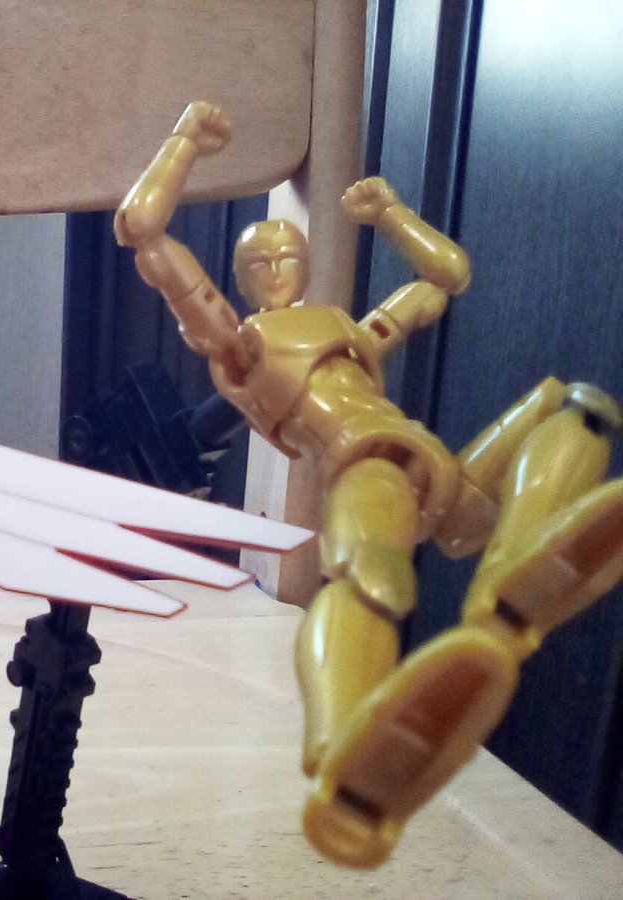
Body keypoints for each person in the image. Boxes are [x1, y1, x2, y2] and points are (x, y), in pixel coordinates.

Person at [116, 100, 623, 867]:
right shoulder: (243, 346)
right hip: (366, 462)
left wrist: (392, 215)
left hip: (435, 469)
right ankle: (341, 751)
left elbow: (446, 275)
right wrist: (183, 141)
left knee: (570, 410)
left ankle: (517, 576)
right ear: (240, 282)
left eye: (287, 254)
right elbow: (143, 231)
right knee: (370, 579)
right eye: (259, 263)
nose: (277, 267)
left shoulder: (346, 327)